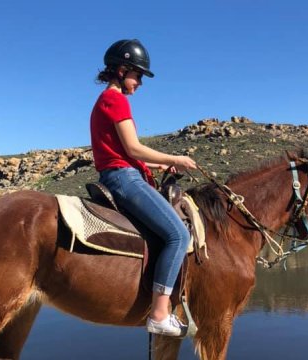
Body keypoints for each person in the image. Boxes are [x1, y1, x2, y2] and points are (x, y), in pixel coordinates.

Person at [90, 39, 197, 336]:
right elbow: (133, 148)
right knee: (178, 234)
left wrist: (160, 166)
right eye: (137, 75)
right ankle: (160, 313)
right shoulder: (115, 99)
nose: (139, 82)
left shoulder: (106, 100)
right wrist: (175, 157)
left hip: (123, 173)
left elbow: (122, 152)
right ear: (122, 70)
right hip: (123, 178)